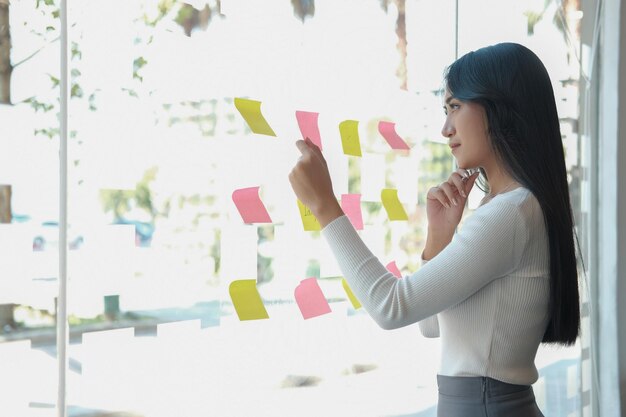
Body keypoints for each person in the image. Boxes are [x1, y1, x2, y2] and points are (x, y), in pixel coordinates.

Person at [288, 42, 580, 417]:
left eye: (455, 107)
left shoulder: (511, 214)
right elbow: (430, 326)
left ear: (501, 107)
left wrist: (325, 207)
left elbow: (389, 307)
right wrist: (438, 238)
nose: (445, 129)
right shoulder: (511, 207)